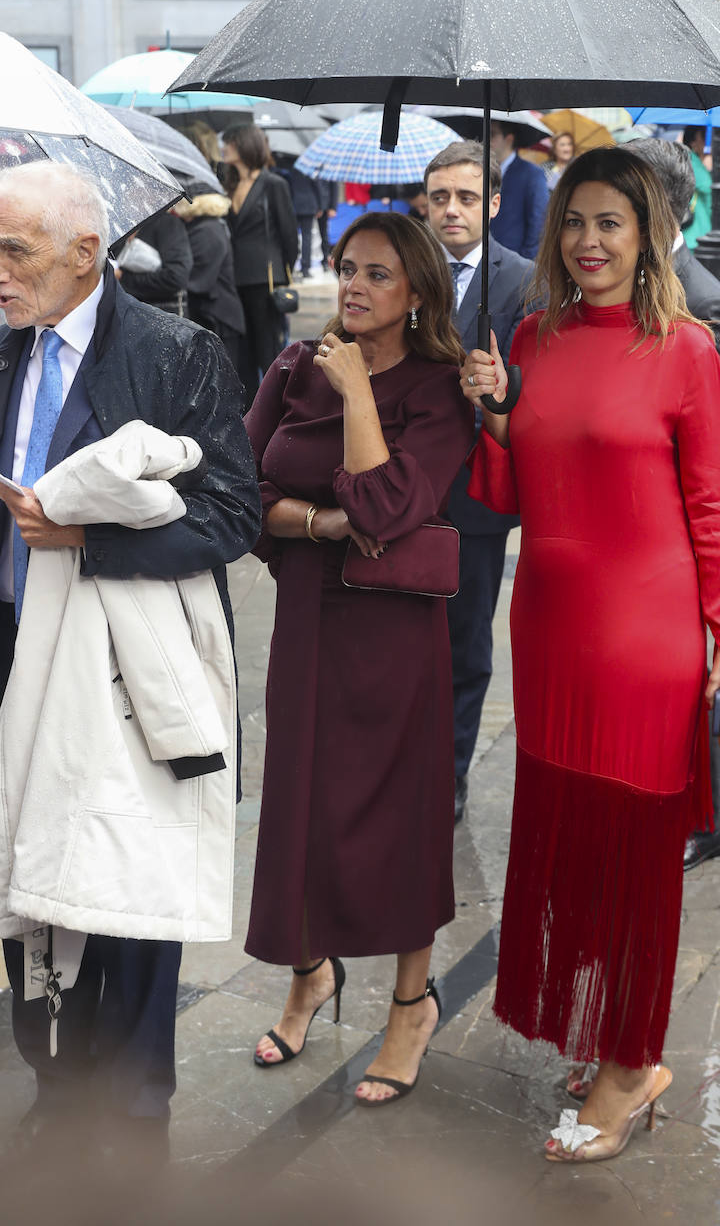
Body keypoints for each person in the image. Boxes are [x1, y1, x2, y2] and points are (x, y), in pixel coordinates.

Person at [460, 147, 720, 1163]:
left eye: (610, 223)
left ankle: (633, 1064)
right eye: (574, 222)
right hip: (548, 629)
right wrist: (493, 413)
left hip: (644, 637)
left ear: (648, 238)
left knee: (634, 857)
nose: (588, 242)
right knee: (574, 847)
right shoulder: (528, 337)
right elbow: (508, 499)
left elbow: (713, 509)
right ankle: (607, 1040)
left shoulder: (682, 348)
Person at [0, 162, 260, 1165]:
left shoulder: (175, 351)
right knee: (27, 882)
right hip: (16, 655)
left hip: (124, 678)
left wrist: (87, 544)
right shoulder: (6, 350)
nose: (0, 271)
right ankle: (57, 1082)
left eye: (14, 249)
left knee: (129, 889)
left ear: (84, 252)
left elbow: (230, 514)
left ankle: (136, 1101)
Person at [243, 212, 474, 1106]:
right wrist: (313, 523)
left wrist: (360, 398)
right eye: (347, 268)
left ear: (416, 293)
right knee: (300, 801)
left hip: (392, 631)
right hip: (307, 613)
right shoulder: (295, 367)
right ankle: (310, 974)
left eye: (378, 274)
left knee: (397, 811)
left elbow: (385, 507)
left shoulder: (443, 386)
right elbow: (240, 484)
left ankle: (410, 1004)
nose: (355, 286)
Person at [628, 136, 720, 874]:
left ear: (666, 205)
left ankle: (710, 821)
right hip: (638, 540)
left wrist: (668, 514)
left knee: (699, 676)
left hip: (680, 534)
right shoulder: (629, 287)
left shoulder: (705, 302)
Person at [424, 140, 534, 823]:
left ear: (492, 203)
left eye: (467, 197)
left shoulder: (522, 281)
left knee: (465, 644)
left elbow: (532, 392)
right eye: (440, 197)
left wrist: (496, 391)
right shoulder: (402, 270)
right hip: (404, 486)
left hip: (475, 494)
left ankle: (451, 772)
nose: (452, 210)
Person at [222, 124, 298, 406]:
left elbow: (290, 235)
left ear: (244, 145)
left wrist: (283, 272)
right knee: (242, 352)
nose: (224, 147)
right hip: (233, 279)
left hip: (265, 279)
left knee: (268, 350)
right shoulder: (227, 185)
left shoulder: (273, 184)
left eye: (229, 142)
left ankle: (278, 408)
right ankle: (251, 411)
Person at [173, 181, 247, 373]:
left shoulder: (206, 230)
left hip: (218, 318)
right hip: (215, 315)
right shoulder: (207, 227)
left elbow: (198, 279)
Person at [114, 208, 192, 315]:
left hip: (159, 317)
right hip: (124, 311)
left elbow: (176, 277)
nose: (131, 193)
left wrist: (122, 278)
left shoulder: (168, 223)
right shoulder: (124, 223)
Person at [489, 121, 549, 260]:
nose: (487, 140)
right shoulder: (481, 172)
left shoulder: (531, 173)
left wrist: (525, 262)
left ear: (509, 139)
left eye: (492, 134)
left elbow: (539, 222)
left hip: (517, 262)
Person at [680, 126, 713, 250]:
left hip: (690, 234)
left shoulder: (685, 159)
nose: (706, 141)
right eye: (703, 137)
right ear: (692, 142)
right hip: (696, 233)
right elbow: (708, 187)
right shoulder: (691, 160)